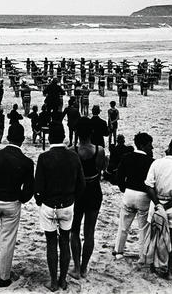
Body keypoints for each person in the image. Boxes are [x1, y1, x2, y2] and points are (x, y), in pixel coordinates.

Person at [0, 124, 34, 287]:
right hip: (12, 202)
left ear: (8, 137)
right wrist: (21, 199)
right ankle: (4, 277)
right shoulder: (27, 162)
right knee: (8, 240)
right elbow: (30, 188)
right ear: (22, 140)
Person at [34, 123, 85, 291]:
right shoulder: (73, 157)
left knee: (51, 243)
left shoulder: (44, 157)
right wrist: (72, 198)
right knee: (65, 240)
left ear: (49, 137)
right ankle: (63, 279)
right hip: (67, 205)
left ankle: (53, 281)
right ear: (64, 136)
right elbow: (81, 185)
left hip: (49, 204)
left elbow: (38, 186)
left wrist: (40, 200)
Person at [144, 138, 172, 280]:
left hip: (156, 204)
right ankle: (169, 271)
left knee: (154, 237)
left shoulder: (157, 163)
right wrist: (165, 207)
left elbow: (148, 186)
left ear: (169, 148)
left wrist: (158, 204)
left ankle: (152, 267)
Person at [69, 117, 106, 280]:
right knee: (89, 232)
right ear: (92, 131)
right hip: (94, 189)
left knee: (74, 230)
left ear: (76, 132)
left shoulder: (72, 151)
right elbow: (100, 169)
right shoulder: (100, 150)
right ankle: (84, 268)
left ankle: (76, 267)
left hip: (78, 192)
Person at [113, 132, 154, 261]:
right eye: (149, 145)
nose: (151, 148)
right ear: (143, 145)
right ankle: (143, 256)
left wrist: (123, 188)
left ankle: (118, 251)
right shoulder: (151, 161)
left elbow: (119, 176)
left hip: (129, 192)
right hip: (143, 195)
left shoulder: (126, 157)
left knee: (123, 225)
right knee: (143, 228)